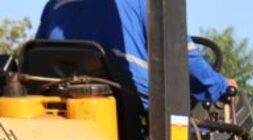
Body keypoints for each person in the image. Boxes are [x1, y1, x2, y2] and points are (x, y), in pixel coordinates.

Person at [36, 0, 231, 108]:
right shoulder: (146, 3)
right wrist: (223, 88)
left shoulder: (54, 6)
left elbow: (38, 57)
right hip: (129, 108)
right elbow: (182, 56)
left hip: (57, 107)